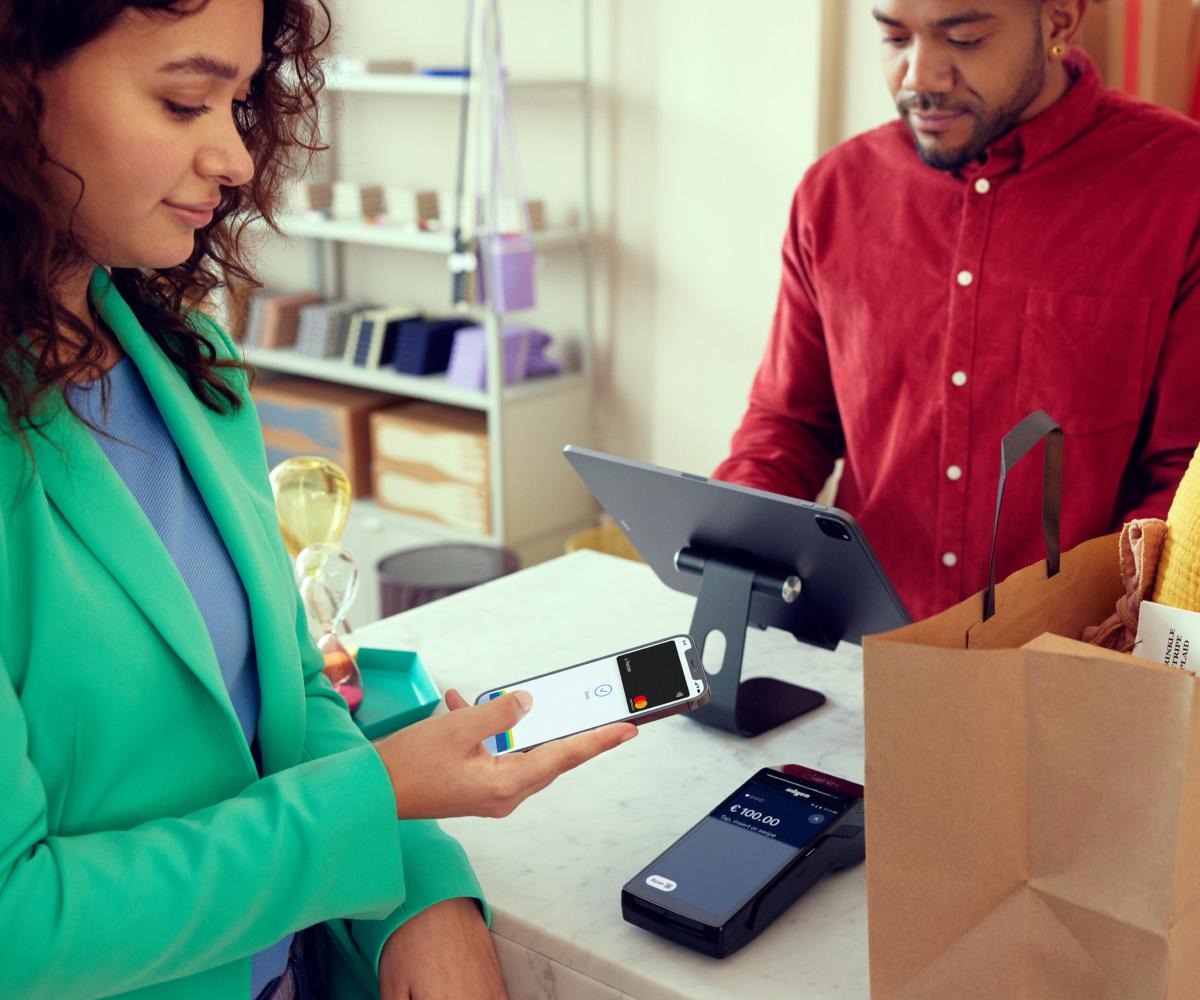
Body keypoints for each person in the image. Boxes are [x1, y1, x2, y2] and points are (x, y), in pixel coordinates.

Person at [0, 2, 636, 998]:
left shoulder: (189, 364)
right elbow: (19, 930)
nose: (237, 158)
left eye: (241, 103)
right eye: (183, 102)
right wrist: (382, 793)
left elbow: (291, 694)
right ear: (10, 84)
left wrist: (420, 891)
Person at [714, 0, 1200, 622]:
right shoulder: (834, 192)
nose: (919, 76)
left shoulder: (1181, 188)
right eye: (894, 38)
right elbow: (789, 425)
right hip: (861, 648)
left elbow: (1186, 476)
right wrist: (726, 543)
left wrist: (1089, 635)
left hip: (1074, 660)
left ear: (1058, 21)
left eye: (964, 40)